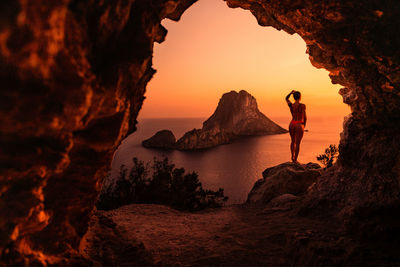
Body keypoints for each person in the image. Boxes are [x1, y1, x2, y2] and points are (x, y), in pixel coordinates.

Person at [285, 90, 307, 163]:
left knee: (292, 141)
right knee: (297, 143)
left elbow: (286, 98)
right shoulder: (302, 106)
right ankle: (295, 160)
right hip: (299, 124)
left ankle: (292, 156)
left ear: (294, 97)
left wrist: (290, 93)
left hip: (292, 123)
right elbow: (305, 117)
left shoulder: (291, 105)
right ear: (300, 97)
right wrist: (304, 126)